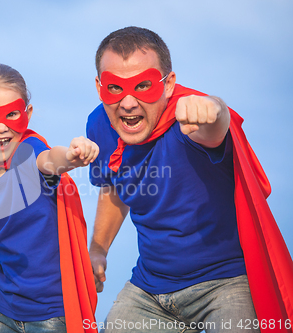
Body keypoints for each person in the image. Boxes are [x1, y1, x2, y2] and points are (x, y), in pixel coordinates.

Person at [87, 26, 293, 333]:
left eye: (143, 85)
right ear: (98, 86)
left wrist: (214, 109)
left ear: (169, 84)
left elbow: (217, 128)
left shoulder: (190, 118)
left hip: (225, 284)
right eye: (115, 88)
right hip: (150, 290)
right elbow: (115, 186)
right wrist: (98, 249)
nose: (128, 103)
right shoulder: (101, 124)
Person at [0, 63, 99, 333]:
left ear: (27, 114)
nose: (0, 128)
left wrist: (71, 156)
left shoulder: (29, 150)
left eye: (11, 114)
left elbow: (49, 159)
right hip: (5, 312)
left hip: (52, 315)